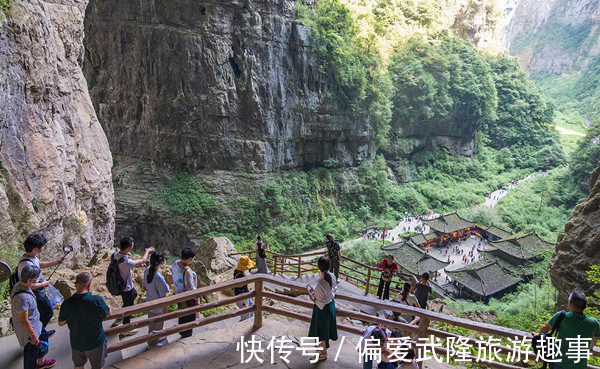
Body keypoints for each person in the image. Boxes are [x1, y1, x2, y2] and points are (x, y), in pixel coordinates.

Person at [58, 272, 111, 369]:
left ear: (75, 284)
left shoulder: (66, 303)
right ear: (90, 284)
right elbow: (107, 313)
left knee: (78, 366)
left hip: (76, 342)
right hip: (95, 342)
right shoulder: (96, 300)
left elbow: (61, 323)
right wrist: (109, 307)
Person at [533, 292, 600, 369]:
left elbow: (545, 328)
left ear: (570, 303)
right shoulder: (594, 323)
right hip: (579, 365)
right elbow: (592, 343)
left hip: (558, 362)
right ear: (584, 306)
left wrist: (539, 336)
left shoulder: (563, 316)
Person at [17, 233, 66, 333]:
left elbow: (40, 264)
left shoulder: (29, 256)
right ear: (35, 249)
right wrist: (44, 284)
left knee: (40, 313)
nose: (43, 248)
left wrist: (56, 262)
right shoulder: (26, 265)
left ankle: (39, 332)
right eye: (42, 246)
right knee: (47, 313)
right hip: (36, 293)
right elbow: (29, 285)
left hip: (39, 290)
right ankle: (37, 333)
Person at [11, 264, 56, 369]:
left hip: (36, 324)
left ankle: (41, 362)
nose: (38, 279)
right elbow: (23, 320)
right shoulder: (22, 298)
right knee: (30, 354)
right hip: (29, 332)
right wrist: (33, 336)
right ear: (30, 279)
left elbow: (32, 286)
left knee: (44, 335)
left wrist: (42, 284)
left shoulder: (20, 284)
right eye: (37, 278)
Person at [110, 236, 155, 337]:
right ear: (128, 248)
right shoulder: (126, 262)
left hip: (119, 285)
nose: (132, 248)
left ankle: (119, 318)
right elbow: (143, 260)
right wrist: (147, 251)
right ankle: (125, 328)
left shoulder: (114, 255)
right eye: (132, 246)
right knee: (129, 306)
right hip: (126, 288)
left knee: (131, 297)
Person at [307, 256, 338, 361]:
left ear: (319, 267)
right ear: (329, 265)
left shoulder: (321, 282)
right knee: (326, 329)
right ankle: (322, 348)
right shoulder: (332, 276)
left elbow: (318, 300)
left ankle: (323, 353)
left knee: (321, 331)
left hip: (322, 309)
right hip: (330, 305)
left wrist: (312, 296)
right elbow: (333, 290)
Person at [143, 251, 170, 348]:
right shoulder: (159, 278)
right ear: (161, 263)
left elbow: (145, 286)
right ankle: (152, 344)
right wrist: (166, 311)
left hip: (149, 303)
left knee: (151, 324)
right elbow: (164, 297)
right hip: (158, 308)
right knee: (157, 325)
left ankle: (155, 338)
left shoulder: (146, 270)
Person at [171, 246, 199, 339]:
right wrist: (197, 300)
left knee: (182, 315)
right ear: (190, 259)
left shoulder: (175, 264)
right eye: (192, 259)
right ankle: (186, 336)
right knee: (190, 318)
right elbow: (192, 289)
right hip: (188, 299)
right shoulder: (188, 272)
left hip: (179, 297)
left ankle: (182, 333)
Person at [233, 255, 255, 321]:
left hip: (245, 295)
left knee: (252, 306)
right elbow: (240, 291)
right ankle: (242, 327)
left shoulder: (237, 271)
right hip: (242, 297)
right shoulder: (240, 276)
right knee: (245, 314)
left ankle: (248, 322)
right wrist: (244, 303)